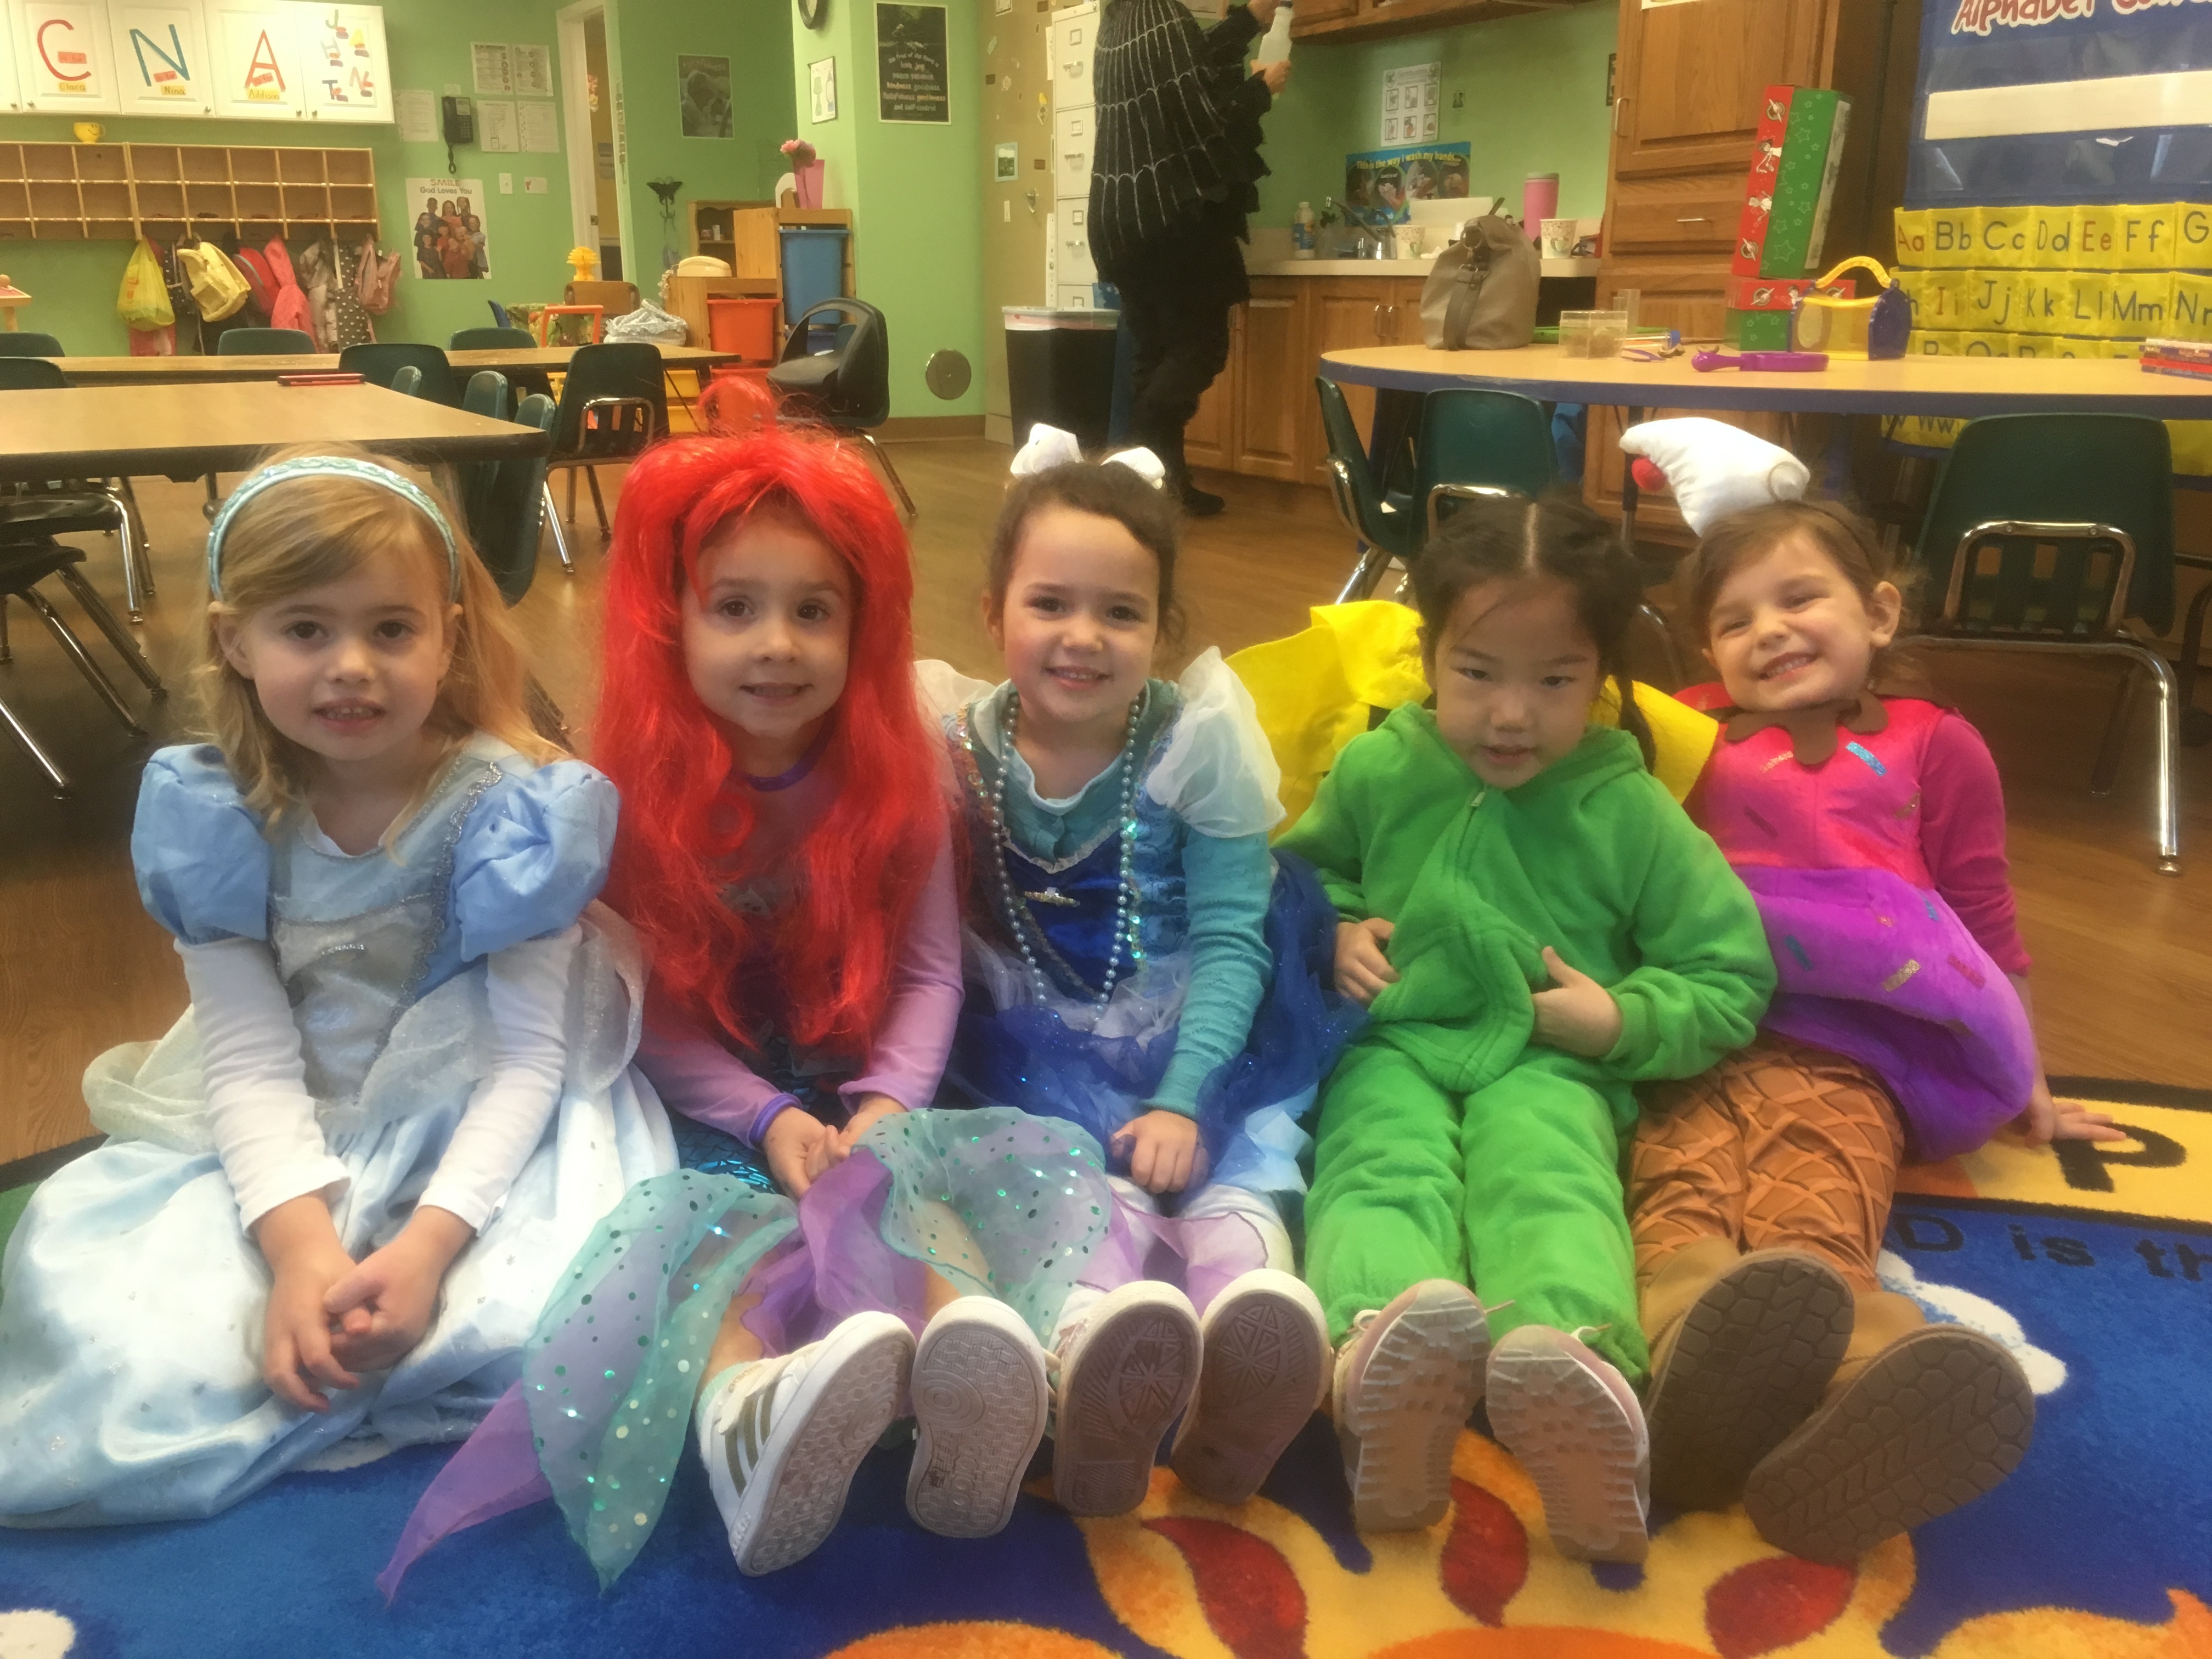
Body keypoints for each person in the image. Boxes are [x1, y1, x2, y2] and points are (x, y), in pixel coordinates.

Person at [390, 394, 1111, 1589]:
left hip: (865, 1074)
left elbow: (931, 968)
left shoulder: (904, 770)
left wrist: (885, 1104)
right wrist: (764, 1115)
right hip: (709, 1091)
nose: (776, 643)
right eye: (735, 608)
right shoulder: (627, 793)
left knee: (918, 1190)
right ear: (670, 620)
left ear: (861, 626)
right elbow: (654, 1012)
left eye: (812, 611)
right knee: (696, 1231)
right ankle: (744, 1413)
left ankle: (978, 1369)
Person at [0, 446, 670, 1527]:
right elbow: (249, 1059)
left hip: (483, 1115)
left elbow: (528, 1058)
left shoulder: (512, 810)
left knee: (555, 1318)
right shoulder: (217, 813)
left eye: (391, 628)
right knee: (115, 1323)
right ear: (235, 641)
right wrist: (299, 1245)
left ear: (448, 635)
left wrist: (428, 1246)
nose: (351, 666)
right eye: (305, 629)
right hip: (291, 1119)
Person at [1614, 420, 2120, 1565]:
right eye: (1733, 620)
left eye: (1800, 598)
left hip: (1856, 1049)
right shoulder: (1683, 730)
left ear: (1880, 612)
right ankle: (1684, 1358)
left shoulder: (1936, 744)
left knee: (1816, 1195)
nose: (1768, 631)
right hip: (1697, 1020)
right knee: (1677, 1183)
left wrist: (2027, 1073)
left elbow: (1981, 913)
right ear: (1706, 649)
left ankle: (1867, 1378)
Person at [1276, 492, 1773, 1560]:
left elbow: (1729, 973)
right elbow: (1301, 878)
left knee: (1547, 1175)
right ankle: (1375, 1354)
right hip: (1394, 1038)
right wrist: (1335, 931)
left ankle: (1570, 1359)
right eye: (1477, 674)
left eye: (1554, 682)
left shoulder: (1630, 810)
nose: (1511, 714)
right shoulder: (1379, 767)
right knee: (1376, 1162)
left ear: (1601, 679)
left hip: (1554, 1055)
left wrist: (1620, 1018)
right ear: (1429, 657)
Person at [906, 430, 1362, 1515]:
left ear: (1162, 629)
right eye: (1049, 604)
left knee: (1238, 1165)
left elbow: (1235, 937)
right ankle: (1088, 1351)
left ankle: (1252, 1318)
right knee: (1068, 1182)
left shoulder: (1196, 742)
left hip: (1205, 1018)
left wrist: (1186, 1095)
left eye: (1121, 612)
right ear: (993, 614)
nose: (1083, 637)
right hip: (1033, 1036)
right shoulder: (952, 744)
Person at [1089, 0, 1292, 516]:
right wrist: (1260, 88)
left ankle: (1163, 485)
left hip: (1122, 220)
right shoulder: (1165, 17)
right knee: (1199, 349)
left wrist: (1249, 19)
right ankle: (1138, 470)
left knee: (1154, 354)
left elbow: (1187, 66)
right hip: (1174, 217)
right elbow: (1210, 122)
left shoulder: (1121, 22)